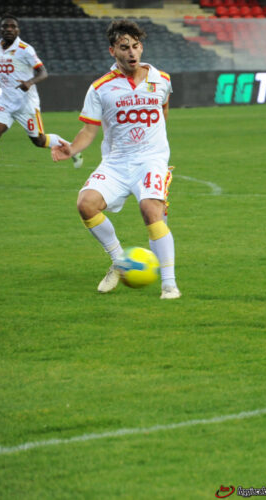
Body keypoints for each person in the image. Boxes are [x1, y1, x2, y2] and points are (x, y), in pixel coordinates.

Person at [51, 20, 180, 299]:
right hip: (117, 162)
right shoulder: (100, 88)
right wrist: (72, 149)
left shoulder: (162, 80)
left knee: (150, 209)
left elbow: (163, 111)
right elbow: (89, 130)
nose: (132, 53)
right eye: (124, 47)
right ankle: (121, 262)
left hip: (151, 160)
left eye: (135, 46)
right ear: (113, 51)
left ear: (141, 47)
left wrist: (156, 149)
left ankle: (169, 284)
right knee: (86, 204)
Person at [0, 14, 82, 192]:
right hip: (5, 101)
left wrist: (30, 82)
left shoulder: (25, 49)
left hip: (25, 103)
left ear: (18, 30)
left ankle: (70, 147)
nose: (9, 29)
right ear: (1, 29)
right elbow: (2, 72)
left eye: (13, 27)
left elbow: (43, 73)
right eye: (5, 27)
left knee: (39, 140)